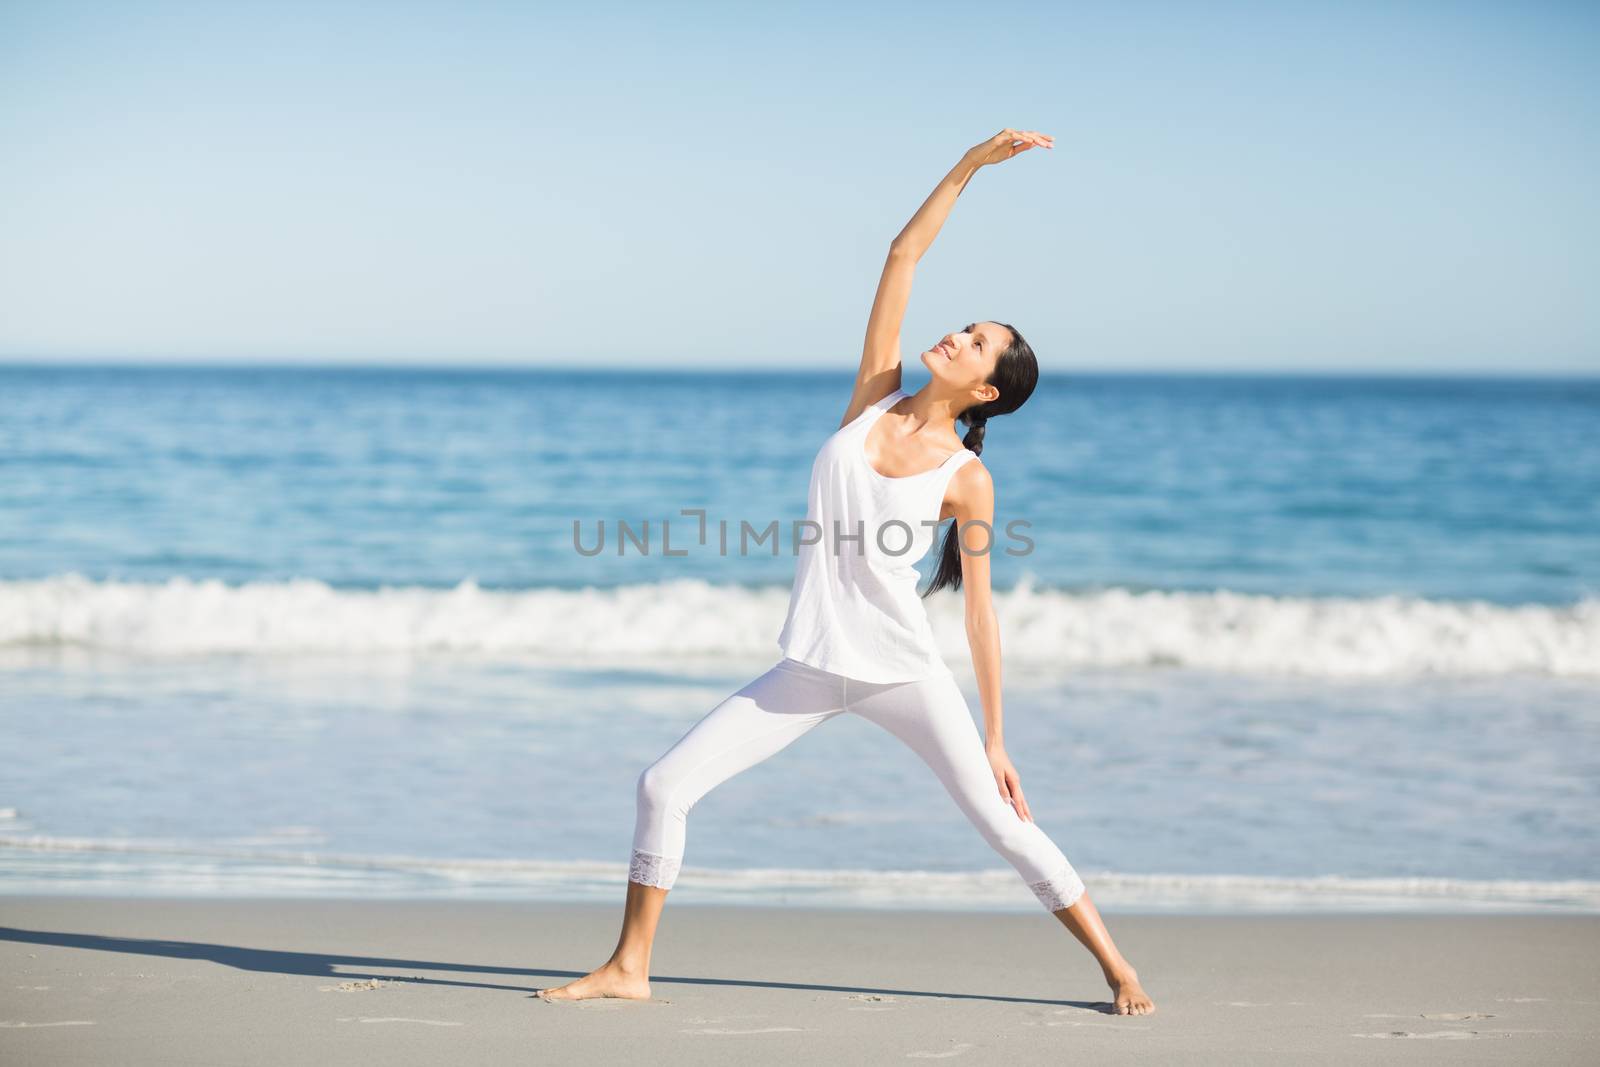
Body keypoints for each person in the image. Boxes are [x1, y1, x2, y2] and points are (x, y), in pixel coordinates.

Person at [538, 128, 1155, 1016]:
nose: (955, 336)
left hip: (903, 671)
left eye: (975, 342)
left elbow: (980, 617)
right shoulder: (874, 394)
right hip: (810, 663)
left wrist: (995, 736)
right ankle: (631, 964)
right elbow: (902, 254)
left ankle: (1118, 969)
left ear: (987, 389)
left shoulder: (966, 477)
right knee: (662, 784)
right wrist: (969, 167)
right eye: (964, 326)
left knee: (1004, 825)